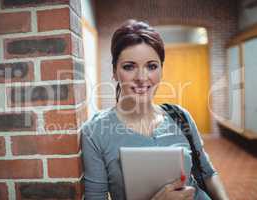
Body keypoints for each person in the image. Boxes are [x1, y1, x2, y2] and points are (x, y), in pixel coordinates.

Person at [81, 19, 229, 200]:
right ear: (114, 71)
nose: (142, 77)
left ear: (161, 70)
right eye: (129, 67)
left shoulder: (180, 116)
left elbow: (208, 173)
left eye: (151, 66)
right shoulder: (94, 132)